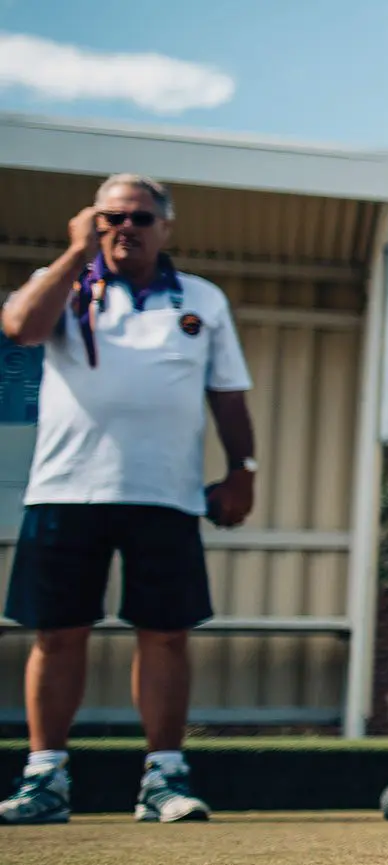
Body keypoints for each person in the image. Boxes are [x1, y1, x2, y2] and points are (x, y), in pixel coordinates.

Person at [0, 174, 257, 824]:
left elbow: (227, 394)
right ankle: (44, 779)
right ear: (92, 220)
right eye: (112, 217)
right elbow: (20, 328)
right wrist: (73, 253)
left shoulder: (201, 300)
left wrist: (242, 470)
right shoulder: (64, 283)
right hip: (66, 488)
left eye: (140, 218)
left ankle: (164, 779)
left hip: (165, 495)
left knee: (166, 634)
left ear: (164, 227)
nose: (126, 229)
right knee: (58, 634)